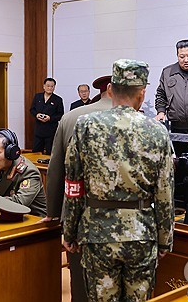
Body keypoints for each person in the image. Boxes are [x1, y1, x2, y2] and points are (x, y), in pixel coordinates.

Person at [63, 59, 174, 301]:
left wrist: (69, 231)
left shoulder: (86, 126)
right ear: (142, 93)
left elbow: (73, 185)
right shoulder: (157, 131)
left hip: (97, 234)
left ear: (110, 89)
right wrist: (165, 240)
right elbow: (165, 192)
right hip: (141, 234)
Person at [41, 75, 112, 302]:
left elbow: (55, 170)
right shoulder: (136, 120)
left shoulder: (71, 117)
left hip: (79, 216)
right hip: (125, 223)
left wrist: (52, 212)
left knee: (80, 285)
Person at [29, 77, 64, 155]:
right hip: (38, 129)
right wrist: (37, 115)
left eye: (52, 86)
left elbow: (60, 115)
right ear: (44, 86)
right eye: (48, 86)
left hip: (51, 131)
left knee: (50, 152)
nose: (50, 88)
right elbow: (32, 109)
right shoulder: (37, 96)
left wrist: (50, 118)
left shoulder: (58, 99)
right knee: (36, 151)